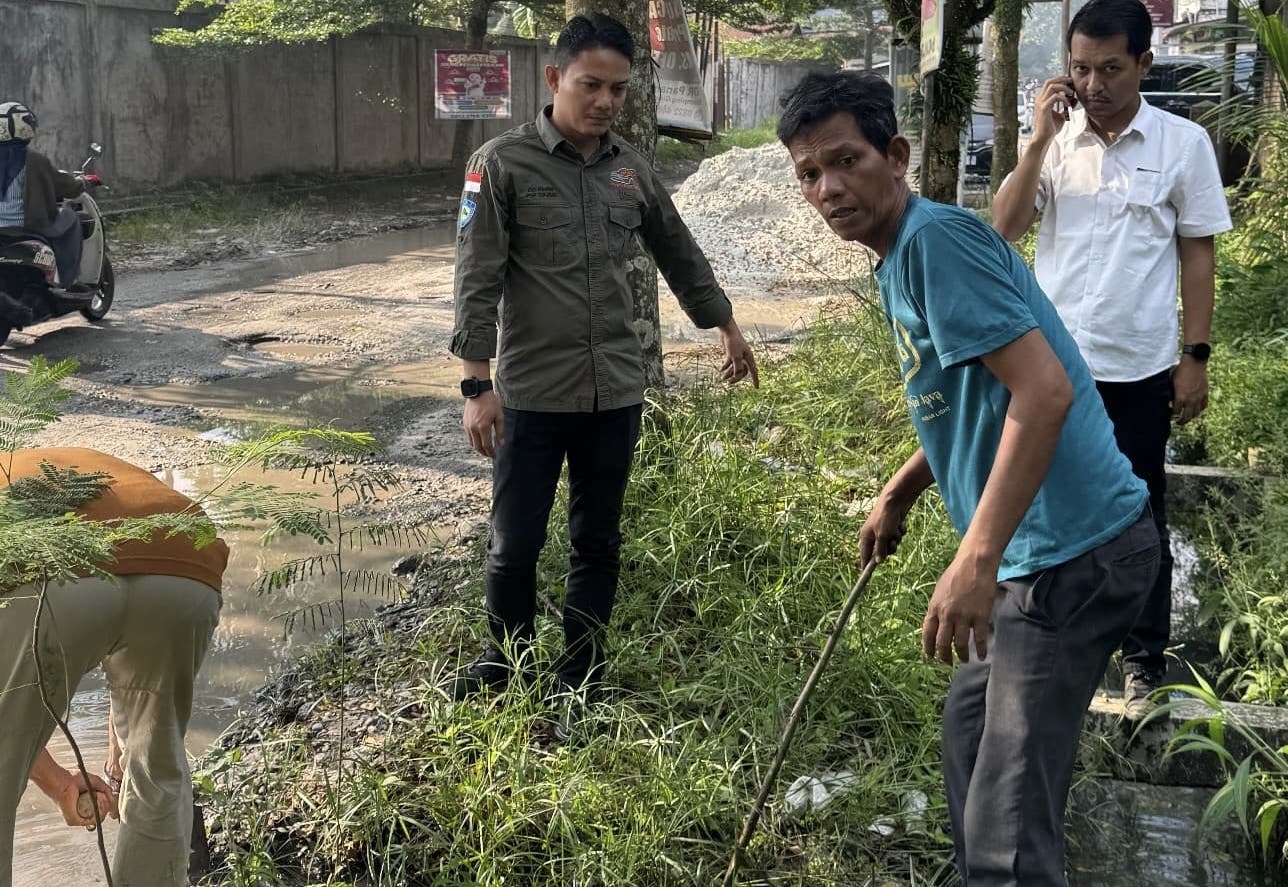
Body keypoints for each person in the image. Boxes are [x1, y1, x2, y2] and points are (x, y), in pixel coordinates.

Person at [778, 71, 1159, 885]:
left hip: (1076, 553)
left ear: (898, 155)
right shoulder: (898, 255)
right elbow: (969, 391)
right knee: (969, 723)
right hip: (1047, 550)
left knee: (1007, 829)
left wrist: (976, 558)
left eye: (846, 161)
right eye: (810, 174)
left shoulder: (934, 243)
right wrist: (902, 487)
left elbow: (1045, 389)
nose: (830, 189)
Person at [449, 14, 759, 706]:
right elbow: (477, 278)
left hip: (614, 390)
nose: (605, 102)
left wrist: (726, 324)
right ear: (555, 78)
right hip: (532, 393)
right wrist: (477, 384)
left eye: (617, 90)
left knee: (598, 541)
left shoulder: (629, 170)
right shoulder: (500, 165)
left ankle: (580, 676)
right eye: (592, 85)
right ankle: (505, 665)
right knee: (514, 544)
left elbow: (678, 251)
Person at [992, 0, 1232, 717]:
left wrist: (1195, 354)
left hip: (1136, 367)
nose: (1093, 83)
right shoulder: (1056, 145)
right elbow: (1003, 230)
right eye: (1081, 67)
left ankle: (1143, 657)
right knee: (1041, 501)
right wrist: (1037, 141)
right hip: (1053, 370)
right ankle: (1054, 635)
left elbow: (1197, 251)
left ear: (1144, 66)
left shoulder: (1183, 145)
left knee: (1139, 509)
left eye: (1111, 68)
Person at [0, 447, 227, 887]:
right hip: (184, 566)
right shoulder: (48, 461)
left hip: (53, 572)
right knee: (156, 768)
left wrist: (49, 781)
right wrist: (68, 777)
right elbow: (125, 604)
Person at [0, 101, 96, 293]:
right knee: (71, 219)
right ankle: (68, 279)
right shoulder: (36, 161)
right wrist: (84, 183)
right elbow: (69, 187)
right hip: (28, 228)